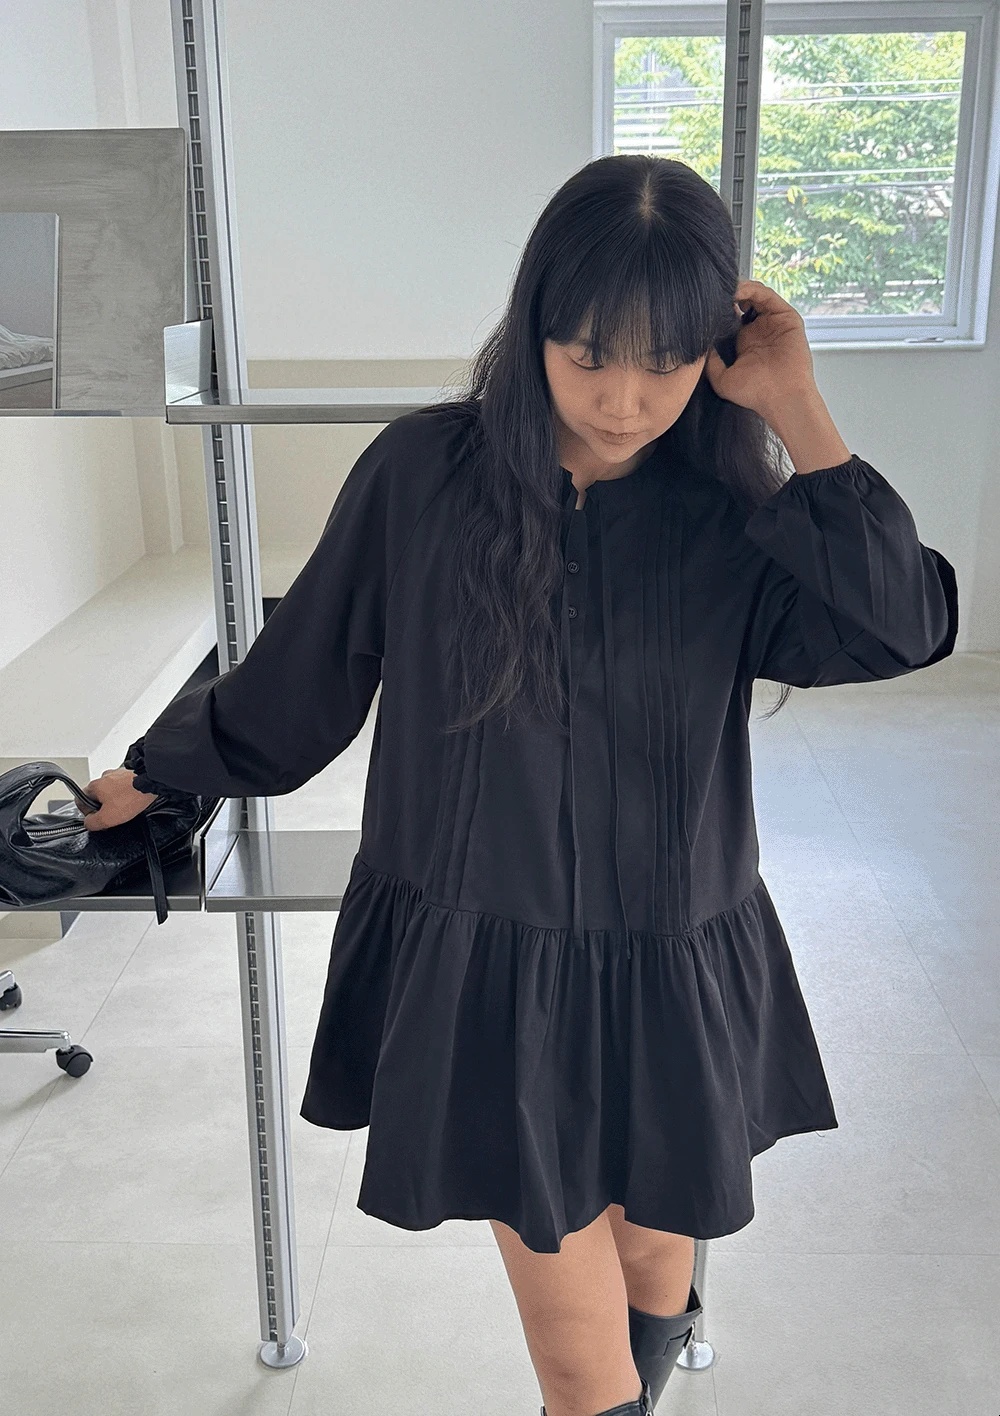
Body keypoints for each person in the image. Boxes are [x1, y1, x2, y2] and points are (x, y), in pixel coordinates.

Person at [81, 155, 959, 1416]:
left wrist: (799, 411)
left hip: (669, 953)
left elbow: (900, 628)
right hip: (490, 967)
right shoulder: (422, 476)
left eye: (665, 363)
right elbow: (305, 673)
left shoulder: (731, 509)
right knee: (575, 1362)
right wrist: (158, 770)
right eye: (587, 355)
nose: (622, 400)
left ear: (714, 353)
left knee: (655, 1259)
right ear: (535, 324)